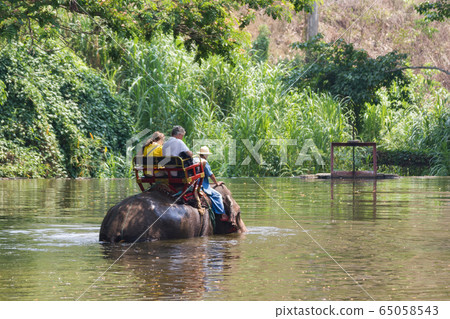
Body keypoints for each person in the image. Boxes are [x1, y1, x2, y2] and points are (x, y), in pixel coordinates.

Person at [198, 146, 229, 222]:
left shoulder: (195, 160)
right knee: (217, 195)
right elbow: (210, 175)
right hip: (202, 186)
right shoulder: (204, 162)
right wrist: (216, 183)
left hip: (193, 184)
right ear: (205, 155)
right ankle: (222, 214)